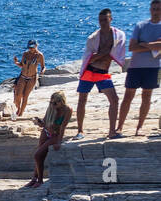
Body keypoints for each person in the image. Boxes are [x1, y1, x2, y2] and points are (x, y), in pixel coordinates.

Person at [74, 8, 129, 138]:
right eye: (100, 20)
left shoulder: (118, 36)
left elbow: (116, 53)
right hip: (89, 71)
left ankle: (111, 132)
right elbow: (89, 58)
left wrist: (102, 54)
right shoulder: (93, 38)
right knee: (82, 100)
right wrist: (104, 54)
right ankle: (80, 131)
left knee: (114, 100)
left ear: (111, 19)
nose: (102, 23)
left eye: (105, 20)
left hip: (102, 72)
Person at [117, 1, 161, 134]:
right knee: (128, 96)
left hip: (153, 68)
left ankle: (139, 127)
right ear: (150, 10)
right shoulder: (141, 26)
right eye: (153, 9)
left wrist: (145, 44)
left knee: (146, 97)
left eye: (158, 9)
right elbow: (132, 47)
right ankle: (119, 127)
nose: (155, 11)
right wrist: (153, 45)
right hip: (135, 66)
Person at [24, 91, 75, 187]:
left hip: (56, 134)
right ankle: (34, 179)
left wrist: (59, 142)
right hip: (46, 131)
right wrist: (40, 123)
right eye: (51, 102)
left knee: (37, 155)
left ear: (61, 101)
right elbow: (45, 121)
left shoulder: (67, 110)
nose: (52, 105)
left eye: (55, 103)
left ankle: (40, 180)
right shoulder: (51, 108)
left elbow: (62, 127)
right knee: (40, 155)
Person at [13, 41, 46, 117]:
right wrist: (16, 62)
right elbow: (22, 65)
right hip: (23, 76)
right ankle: (18, 108)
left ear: (36, 46)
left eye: (32, 47)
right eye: (29, 47)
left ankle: (21, 112)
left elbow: (43, 66)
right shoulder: (25, 54)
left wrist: (42, 71)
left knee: (25, 96)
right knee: (18, 95)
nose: (30, 49)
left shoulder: (39, 55)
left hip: (32, 78)